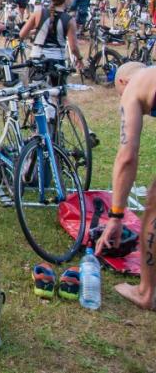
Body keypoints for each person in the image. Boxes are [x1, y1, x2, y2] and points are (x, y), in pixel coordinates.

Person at [94, 62, 155, 311]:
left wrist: (116, 216)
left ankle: (146, 293)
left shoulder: (133, 85)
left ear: (122, 82)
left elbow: (127, 156)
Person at [19, 0, 84, 83]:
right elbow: (73, 48)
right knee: (58, 90)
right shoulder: (69, 20)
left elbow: (22, 34)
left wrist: (36, 32)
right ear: (66, 0)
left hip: (37, 56)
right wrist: (79, 58)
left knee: (35, 89)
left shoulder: (38, 13)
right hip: (57, 59)